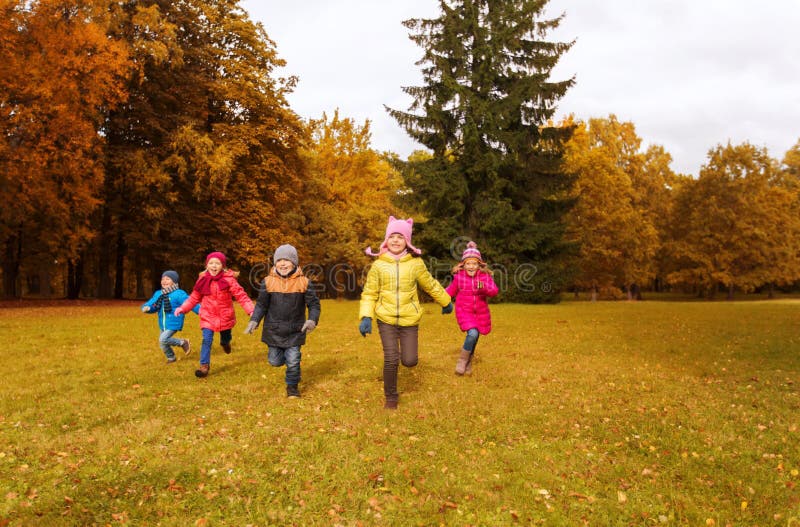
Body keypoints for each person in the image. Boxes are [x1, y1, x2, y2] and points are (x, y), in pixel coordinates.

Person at [359, 216, 453, 409]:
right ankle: (391, 397)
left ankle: (405, 366)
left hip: (410, 319)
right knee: (391, 358)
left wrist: (445, 301)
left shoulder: (415, 264)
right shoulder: (378, 265)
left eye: (400, 237)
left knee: (409, 361)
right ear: (386, 239)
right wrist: (366, 316)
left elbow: (430, 284)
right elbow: (369, 293)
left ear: (407, 241)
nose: (395, 240)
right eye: (392, 236)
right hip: (386, 318)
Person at [244, 244, 321, 399]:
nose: (283, 264)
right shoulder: (267, 282)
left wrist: (312, 320)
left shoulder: (304, 282)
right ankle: (284, 359)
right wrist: (254, 321)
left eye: (287, 260)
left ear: (294, 263)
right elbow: (261, 305)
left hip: (295, 331)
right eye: (279, 260)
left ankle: (292, 388)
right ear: (275, 263)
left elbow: (314, 305)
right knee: (274, 361)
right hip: (274, 330)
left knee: (293, 360)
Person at [174, 251, 254, 378]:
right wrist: (182, 308)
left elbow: (241, 296)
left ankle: (225, 343)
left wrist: (251, 310)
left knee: (225, 337)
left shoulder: (229, 280)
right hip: (208, 315)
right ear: (207, 265)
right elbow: (194, 298)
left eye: (217, 263)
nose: (214, 266)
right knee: (206, 340)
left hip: (225, 316)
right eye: (211, 263)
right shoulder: (202, 280)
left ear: (222, 266)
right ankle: (204, 366)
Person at [445, 241, 499, 375]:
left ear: (479, 265)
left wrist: (484, 287)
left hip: (481, 313)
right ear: (463, 265)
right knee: (473, 334)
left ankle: (468, 362)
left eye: (474, 263)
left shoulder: (485, 277)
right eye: (468, 263)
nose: (471, 266)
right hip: (464, 311)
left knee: (474, 337)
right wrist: (441, 298)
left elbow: (494, 291)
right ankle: (462, 361)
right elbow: (449, 292)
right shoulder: (459, 278)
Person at [141, 270, 199, 363]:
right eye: (163, 279)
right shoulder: (158, 294)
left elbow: (190, 303)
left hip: (174, 321)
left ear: (174, 281)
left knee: (163, 339)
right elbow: (153, 305)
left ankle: (182, 342)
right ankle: (171, 358)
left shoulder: (179, 293)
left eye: (167, 279)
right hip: (162, 323)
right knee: (162, 343)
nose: (164, 281)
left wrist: (201, 311)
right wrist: (147, 308)